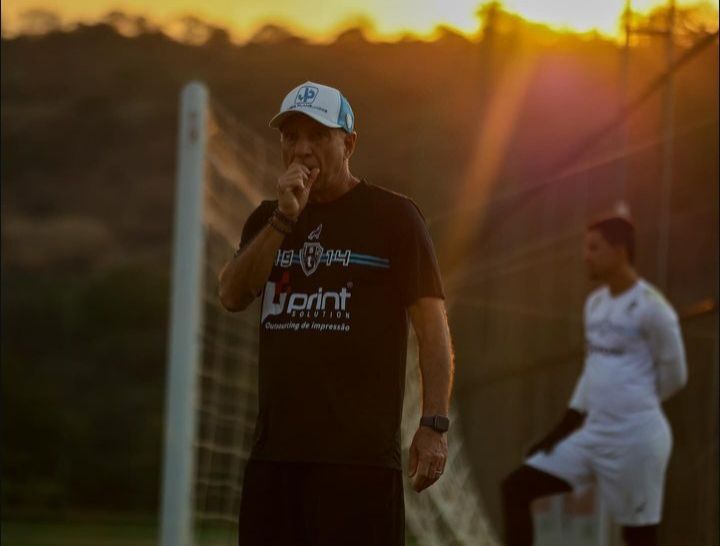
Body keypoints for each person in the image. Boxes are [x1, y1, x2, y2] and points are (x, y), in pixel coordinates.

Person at [218, 81, 454, 546]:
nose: (302, 149)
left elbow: (433, 330)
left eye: (318, 136)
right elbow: (231, 295)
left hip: (359, 464)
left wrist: (433, 425)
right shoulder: (266, 219)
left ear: (349, 144)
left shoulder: (395, 218)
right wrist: (284, 218)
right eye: (291, 136)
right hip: (276, 459)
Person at [500, 215, 688, 546]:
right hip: (594, 436)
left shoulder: (653, 308)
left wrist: (636, 404)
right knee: (515, 487)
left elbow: (676, 376)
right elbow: (593, 371)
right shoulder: (595, 304)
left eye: (593, 248)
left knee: (639, 536)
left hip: (637, 441)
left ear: (619, 251)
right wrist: (560, 431)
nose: (585, 256)